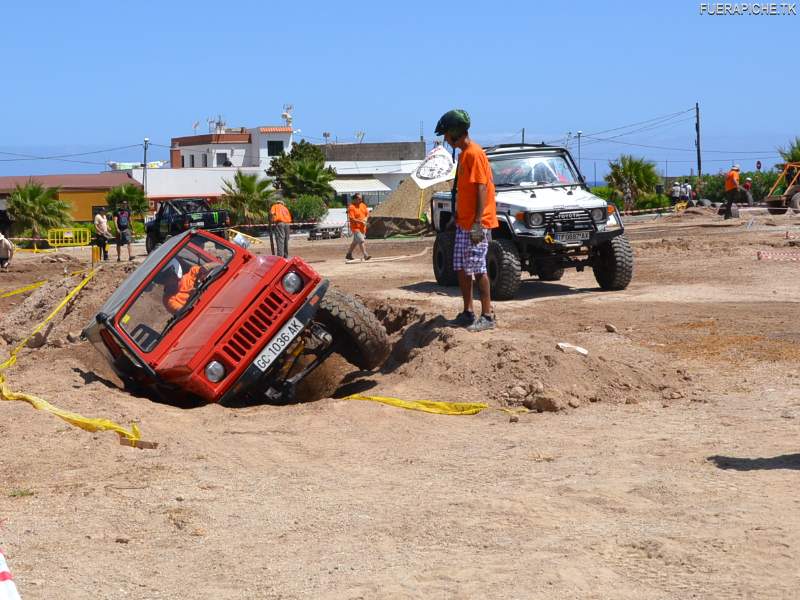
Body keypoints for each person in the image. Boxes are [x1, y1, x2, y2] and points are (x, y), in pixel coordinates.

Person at [435, 108, 498, 332]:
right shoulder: (463, 155)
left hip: (476, 224)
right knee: (461, 268)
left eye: (446, 135)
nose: (445, 140)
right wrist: (457, 217)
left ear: (454, 132)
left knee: (478, 268)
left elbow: (481, 188)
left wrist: (478, 222)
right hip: (464, 222)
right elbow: (465, 191)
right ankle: (468, 312)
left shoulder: (474, 153)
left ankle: (488, 316)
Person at [346, 193, 371, 261]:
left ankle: (349, 254)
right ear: (354, 199)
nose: (361, 200)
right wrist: (361, 222)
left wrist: (366, 218)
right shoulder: (351, 207)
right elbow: (352, 219)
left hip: (362, 228)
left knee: (355, 242)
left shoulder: (363, 205)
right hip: (355, 228)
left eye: (361, 199)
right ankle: (365, 255)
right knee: (361, 240)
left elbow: (367, 214)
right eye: (359, 199)